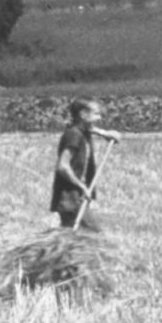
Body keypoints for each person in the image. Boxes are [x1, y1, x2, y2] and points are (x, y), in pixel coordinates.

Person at [52, 98, 121, 230]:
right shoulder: (74, 135)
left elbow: (88, 128)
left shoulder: (81, 131)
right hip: (70, 198)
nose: (99, 118)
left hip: (77, 196)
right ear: (83, 114)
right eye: (96, 114)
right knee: (92, 234)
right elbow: (63, 166)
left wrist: (105, 134)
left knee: (74, 237)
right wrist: (83, 187)